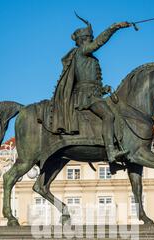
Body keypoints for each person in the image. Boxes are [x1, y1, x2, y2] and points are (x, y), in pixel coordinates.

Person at [50, 14, 133, 174]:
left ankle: (115, 154)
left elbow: (91, 81)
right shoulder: (81, 51)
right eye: (89, 38)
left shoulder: (89, 58)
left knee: (117, 112)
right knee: (108, 116)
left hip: (94, 93)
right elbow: (99, 43)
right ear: (82, 40)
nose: (91, 41)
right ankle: (111, 153)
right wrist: (114, 27)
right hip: (86, 97)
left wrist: (103, 89)